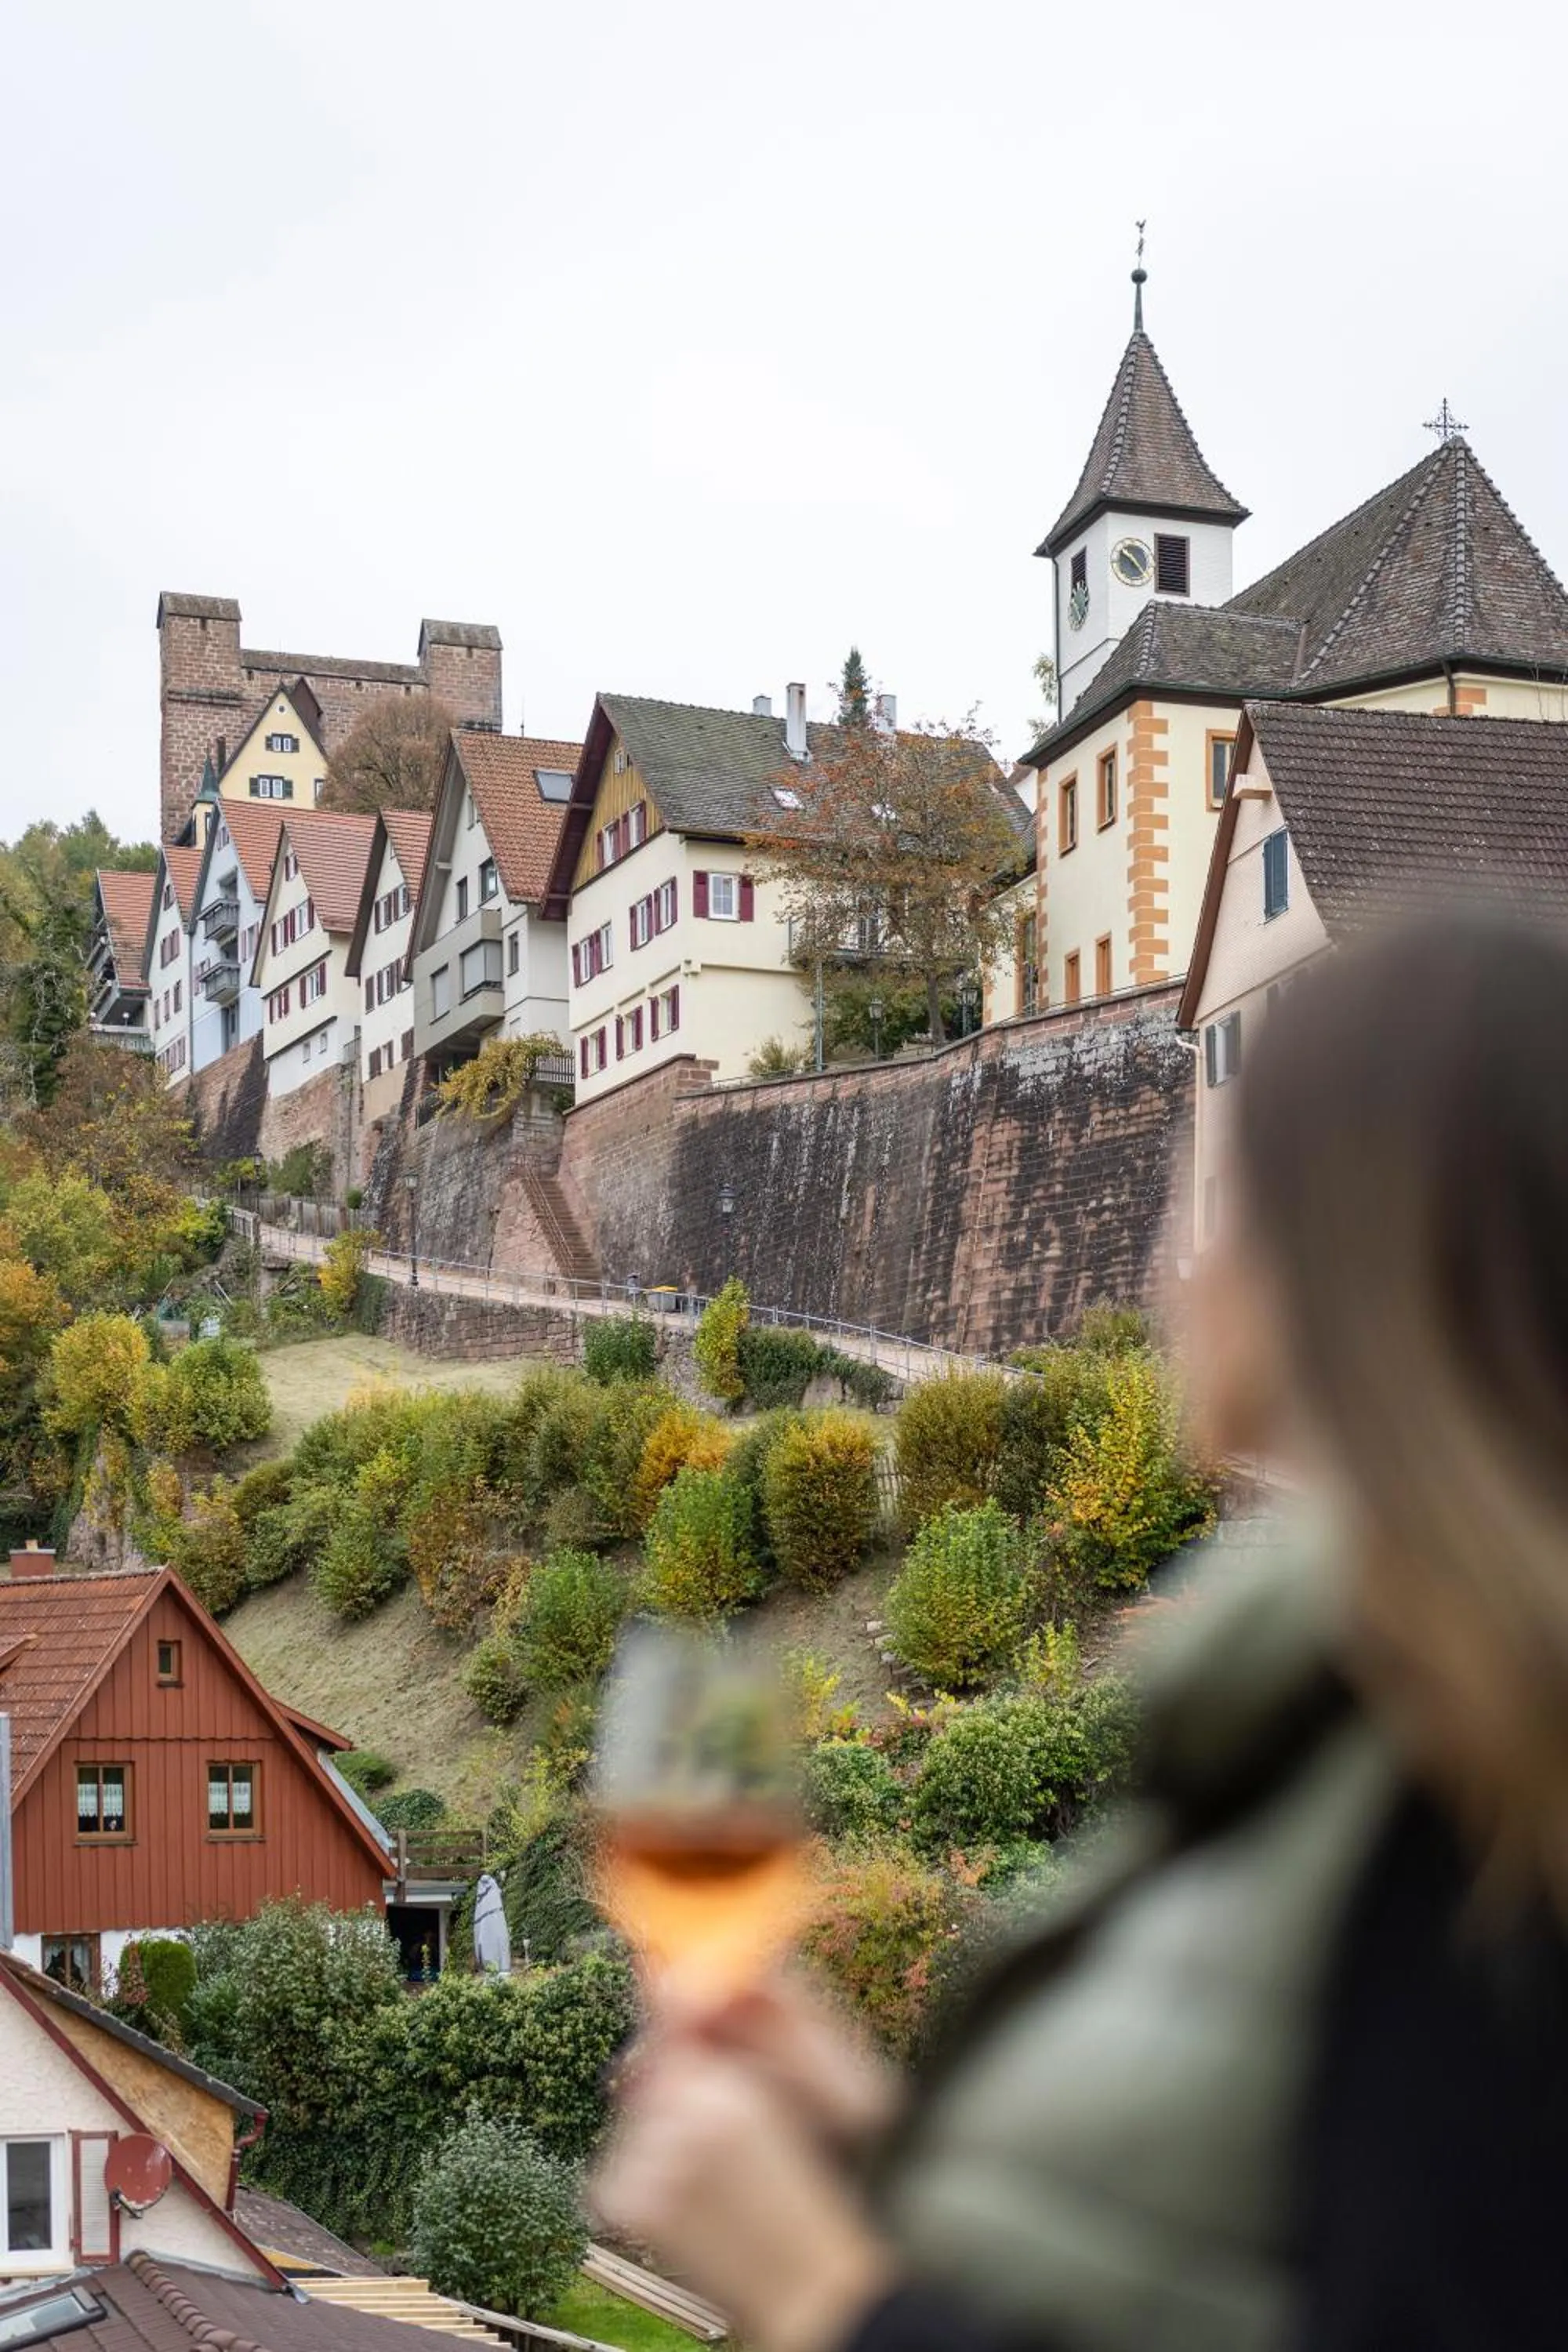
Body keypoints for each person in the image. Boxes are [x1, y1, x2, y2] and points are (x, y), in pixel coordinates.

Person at [593, 909, 1568, 2352]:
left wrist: (824, 2297)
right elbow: (1221, 2272)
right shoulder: (1363, 1719)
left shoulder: (1479, 1820)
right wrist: (876, 2140)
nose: (1174, 1260)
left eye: (1215, 1199)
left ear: (1338, 1262)